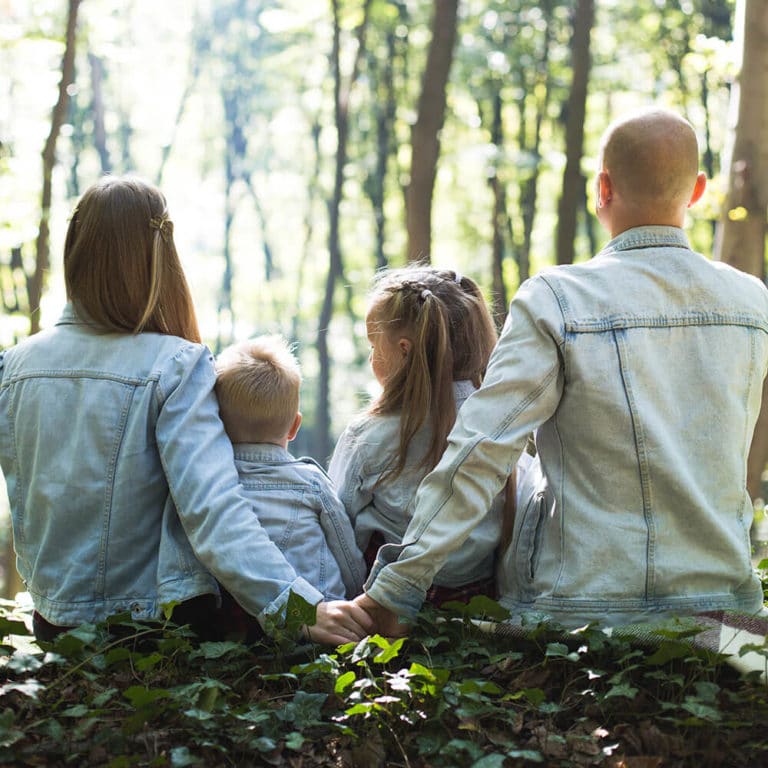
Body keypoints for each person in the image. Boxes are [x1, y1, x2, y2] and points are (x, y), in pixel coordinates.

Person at [355, 107, 768, 634]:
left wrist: (397, 588)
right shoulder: (752, 302)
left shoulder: (557, 299)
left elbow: (482, 450)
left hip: (581, 610)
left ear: (602, 188)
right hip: (726, 610)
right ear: (698, 191)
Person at [0, 175, 372, 645]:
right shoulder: (176, 364)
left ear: (75, 249)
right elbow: (213, 510)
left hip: (54, 625)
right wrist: (297, 608)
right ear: (160, 258)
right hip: (151, 631)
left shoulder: (12, 366)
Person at [329, 265, 527, 604]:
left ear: (404, 350)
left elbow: (336, 527)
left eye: (374, 346)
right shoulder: (503, 427)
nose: (371, 357)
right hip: (476, 602)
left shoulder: (368, 435)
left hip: (384, 605)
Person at [214, 335, 365, 601]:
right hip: (321, 612)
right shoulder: (311, 483)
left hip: (243, 619)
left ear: (217, 423)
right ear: (295, 427)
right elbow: (346, 553)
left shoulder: (211, 484)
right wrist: (356, 595)